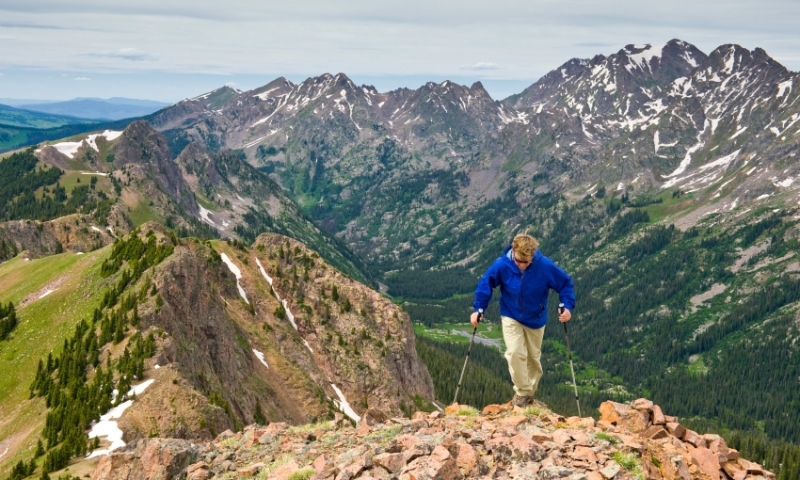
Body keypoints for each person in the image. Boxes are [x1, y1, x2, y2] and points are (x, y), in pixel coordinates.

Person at [471, 233, 575, 407]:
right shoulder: (502, 264)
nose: (522, 266)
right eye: (519, 261)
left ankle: (528, 394)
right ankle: (521, 393)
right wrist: (478, 309)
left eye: (527, 262)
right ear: (513, 250)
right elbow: (486, 283)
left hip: (536, 317)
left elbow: (565, 283)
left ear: (533, 255)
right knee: (514, 353)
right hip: (510, 314)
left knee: (533, 358)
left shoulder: (544, 265)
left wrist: (567, 306)